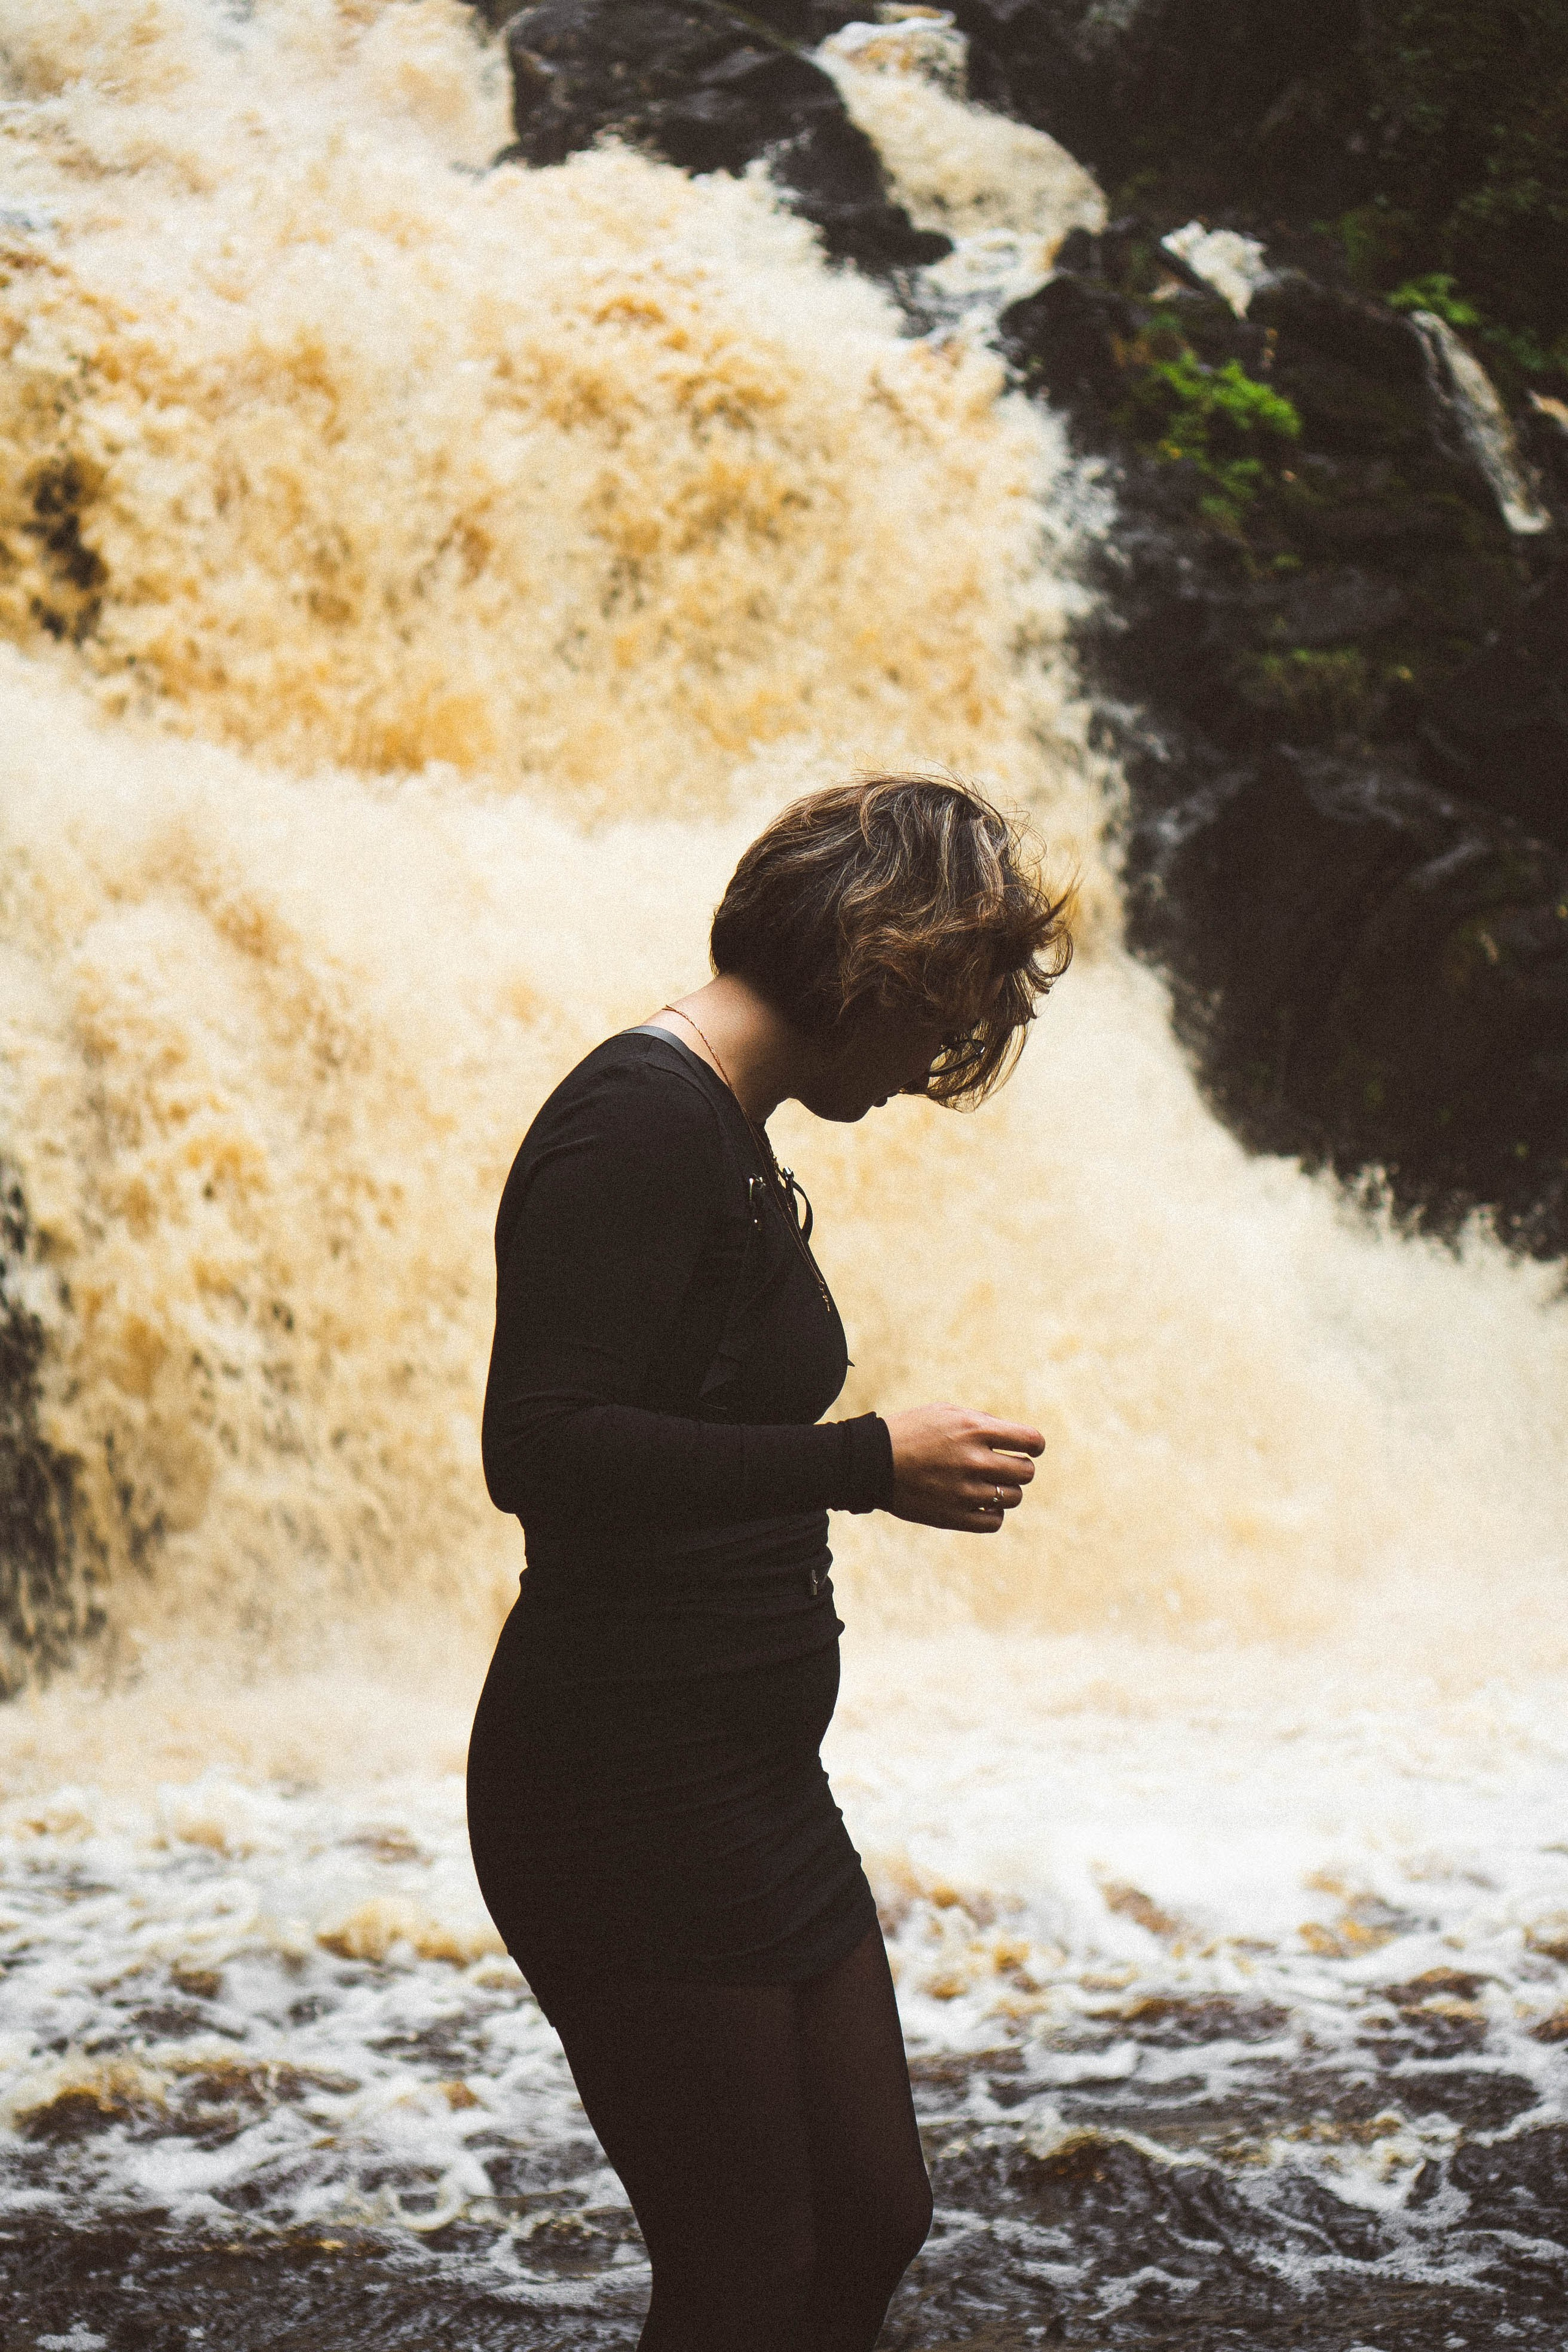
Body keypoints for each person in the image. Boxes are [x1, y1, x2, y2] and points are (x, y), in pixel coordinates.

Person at [467, 773, 1072, 2350]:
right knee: (744, 2262)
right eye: (947, 1011)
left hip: (743, 1775)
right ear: (883, 970)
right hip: (620, 1787)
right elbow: (539, 1448)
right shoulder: (636, 1119)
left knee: (869, 2215)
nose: (941, 1063)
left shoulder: (720, 1123)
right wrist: (864, 1463)